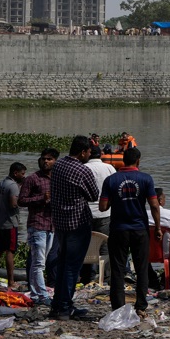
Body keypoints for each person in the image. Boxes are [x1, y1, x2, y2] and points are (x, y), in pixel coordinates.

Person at [99, 146, 161, 316]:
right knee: (141, 268)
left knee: (118, 269)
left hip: (118, 229)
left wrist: (115, 200)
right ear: (138, 161)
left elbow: (103, 207)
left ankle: (118, 308)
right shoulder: (145, 179)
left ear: (122, 160)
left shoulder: (111, 180)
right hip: (139, 229)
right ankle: (140, 306)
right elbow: (154, 205)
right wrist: (157, 227)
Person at [50, 136, 101, 321]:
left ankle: (58, 304)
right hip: (77, 223)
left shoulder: (58, 165)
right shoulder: (82, 170)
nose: (89, 155)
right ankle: (64, 307)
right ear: (83, 152)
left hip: (60, 223)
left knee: (63, 264)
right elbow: (94, 195)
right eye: (88, 152)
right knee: (72, 267)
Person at [18, 148, 57, 305]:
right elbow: (21, 201)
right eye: (43, 159)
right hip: (37, 224)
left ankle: (35, 294)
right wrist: (42, 198)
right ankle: (42, 295)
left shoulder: (57, 178)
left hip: (51, 226)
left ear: (55, 161)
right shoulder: (32, 179)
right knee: (39, 263)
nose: (45, 161)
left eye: (49, 159)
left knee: (41, 262)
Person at [83, 137, 116, 284]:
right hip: (105, 213)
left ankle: (87, 277)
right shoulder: (109, 168)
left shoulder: (83, 168)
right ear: (101, 155)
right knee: (105, 246)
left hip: (86, 213)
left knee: (86, 245)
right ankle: (106, 278)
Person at [0, 162, 26, 287]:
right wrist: (24, 204)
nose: (24, 176)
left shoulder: (1, 183)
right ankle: (11, 282)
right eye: (22, 174)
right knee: (10, 251)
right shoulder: (13, 186)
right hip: (10, 223)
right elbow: (13, 204)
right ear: (15, 173)